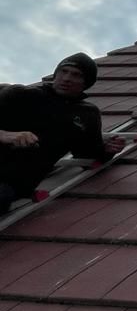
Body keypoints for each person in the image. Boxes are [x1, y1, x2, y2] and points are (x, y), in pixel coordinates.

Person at [0, 53, 125, 215]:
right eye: (63, 71)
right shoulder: (21, 95)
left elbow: (87, 153)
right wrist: (4, 135)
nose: (66, 78)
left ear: (86, 82)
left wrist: (107, 150)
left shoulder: (86, 114)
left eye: (76, 75)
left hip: (13, 185)